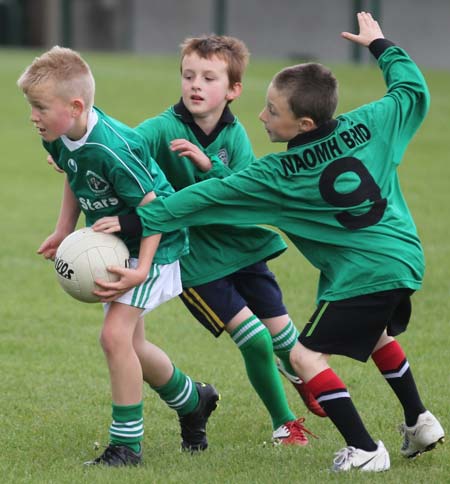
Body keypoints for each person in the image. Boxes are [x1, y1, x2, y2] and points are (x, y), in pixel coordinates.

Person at [94, 12, 445, 472]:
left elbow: (203, 199)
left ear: (302, 123)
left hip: (365, 272)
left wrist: (134, 220)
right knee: (376, 334)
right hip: (405, 256)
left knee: (301, 354)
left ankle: (363, 448)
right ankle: (419, 421)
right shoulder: (374, 121)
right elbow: (411, 90)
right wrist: (381, 45)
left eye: (272, 112)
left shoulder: (278, 174)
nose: (261, 116)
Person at [93, 34, 324, 446]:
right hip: (195, 259)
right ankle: (284, 423)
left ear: (233, 90)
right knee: (254, 339)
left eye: (209, 78)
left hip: (242, 248)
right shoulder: (161, 129)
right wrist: (77, 153)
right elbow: (119, 147)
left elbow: (246, 194)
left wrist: (207, 167)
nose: (195, 85)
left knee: (288, 340)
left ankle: (295, 369)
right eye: (188, 75)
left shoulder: (234, 137)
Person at [17, 46, 220, 467]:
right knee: (132, 344)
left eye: (39, 107)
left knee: (113, 338)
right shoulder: (59, 135)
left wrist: (142, 268)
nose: (33, 116)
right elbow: (75, 175)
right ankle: (193, 401)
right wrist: (62, 230)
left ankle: (126, 446)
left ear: (74, 107)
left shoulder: (112, 146)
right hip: (121, 244)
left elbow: (154, 208)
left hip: (157, 242)